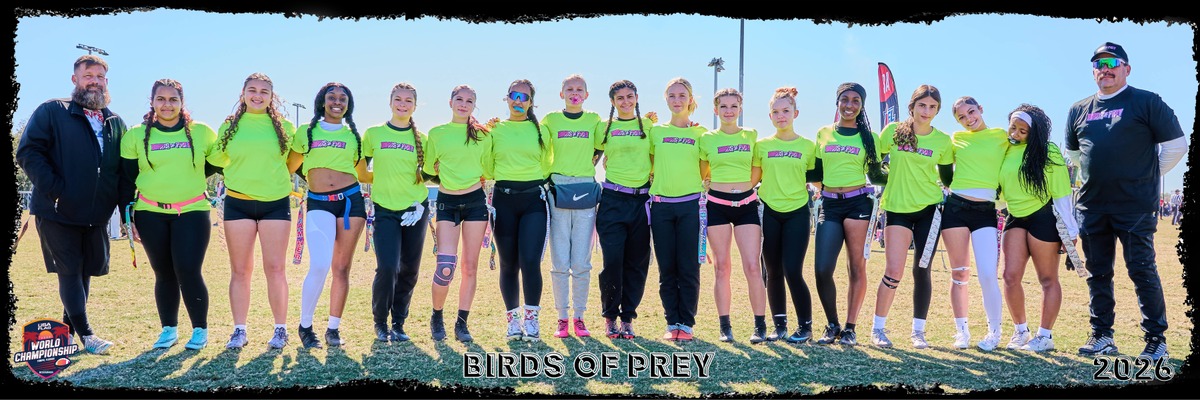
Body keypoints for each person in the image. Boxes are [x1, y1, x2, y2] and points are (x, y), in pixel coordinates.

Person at [1068, 42, 1186, 361]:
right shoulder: (1079, 109)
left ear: (1127, 69)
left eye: (1112, 63)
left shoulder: (1146, 101)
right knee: (1097, 274)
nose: (1104, 69)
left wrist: (1146, 175)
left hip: (1134, 207)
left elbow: (1176, 145)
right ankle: (1102, 335)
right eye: (1098, 64)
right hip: (1092, 206)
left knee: (1142, 271)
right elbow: (1075, 155)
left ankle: (1156, 339)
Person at [16, 55, 129, 354]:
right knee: (69, 271)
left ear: (107, 82)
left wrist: (124, 211)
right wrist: (56, 190)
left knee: (84, 272)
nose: (94, 81)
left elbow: (122, 172)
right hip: (57, 211)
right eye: (88, 75)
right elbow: (28, 152)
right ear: (75, 79)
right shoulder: (54, 110)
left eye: (100, 77)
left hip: (96, 214)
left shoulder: (115, 122)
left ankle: (65, 333)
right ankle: (88, 335)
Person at [121, 79, 221, 350]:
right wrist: (127, 217)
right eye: (161, 99)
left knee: (188, 270)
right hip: (150, 213)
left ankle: (199, 330)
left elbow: (215, 165)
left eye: (173, 99)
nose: (167, 104)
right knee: (163, 272)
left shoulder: (202, 132)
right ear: (152, 102)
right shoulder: (135, 135)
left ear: (182, 102)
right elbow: (127, 179)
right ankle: (169, 330)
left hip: (192, 212)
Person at [211, 73, 296, 349]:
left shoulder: (286, 127)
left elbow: (294, 160)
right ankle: (239, 330)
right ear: (243, 93)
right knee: (240, 270)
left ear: (272, 97)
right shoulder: (230, 126)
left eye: (263, 92)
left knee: (276, 268)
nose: (257, 96)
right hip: (239, 203)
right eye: (252, 90)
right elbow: (217, 158)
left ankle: (280, 330)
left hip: (275, 204)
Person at [870, 84, 954, 349]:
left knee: (922, 269)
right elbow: (873, 166)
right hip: (897, 208)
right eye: (922, 105)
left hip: (929, 210)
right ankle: (878, 329)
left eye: (932, 107)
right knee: (894, 271)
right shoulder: (893, 132)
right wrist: (889, 179)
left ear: (938, 110)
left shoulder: (943, 141)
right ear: (912, 106)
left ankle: (918, 332)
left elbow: (948, 179)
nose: (926, 111)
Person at [811, 82, 886, 346]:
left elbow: (876, 175)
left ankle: (850, 328)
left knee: (856, 266)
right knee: (822, 269)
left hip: (858, 205)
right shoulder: (823, 133)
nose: (849, 105)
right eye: (845, 99)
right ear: (837, 102)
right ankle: (832, 325)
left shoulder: (870, 137)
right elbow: (815, 173)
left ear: (862, 106)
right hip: (830, 205)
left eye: (856, 100)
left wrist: (902, 172)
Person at [998, 104, 1074, 352]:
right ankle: (1021, 331)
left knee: (1047, 279)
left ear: (1035, 133)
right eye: (1013, 128)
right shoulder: (1004, 149)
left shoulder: (1048, 151)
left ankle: (1044, 336)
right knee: (1010, 277)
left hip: (1043, 217)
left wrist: (1070, 232)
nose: (1016, 134)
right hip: (1015, 216)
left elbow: (1062, 193)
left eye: (1023, 131)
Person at [423, 85, 493, 342]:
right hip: (447, 202)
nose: (464, 104)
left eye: (469, 101)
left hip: (475, 201)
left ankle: (462, 323)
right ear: (450, 102)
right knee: (445, 267)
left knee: (470, 266)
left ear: (474, 106)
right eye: (459, 99)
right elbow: (429, 168)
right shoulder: (437, 133)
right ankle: (437, 316)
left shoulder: (484, 136)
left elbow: (489, 169)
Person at [362, 83, 431, 342]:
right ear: (390, 102)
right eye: (398, 99)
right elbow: (362, 171)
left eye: (408, 100)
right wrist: (381, 180)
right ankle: (380, 322)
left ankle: (399, 323)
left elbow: (430, 174)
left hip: (415, 209)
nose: (403, 104)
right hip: (385, 210)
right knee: (388, 267)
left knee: (409, 269)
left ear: (415, 105)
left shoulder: (423, 139)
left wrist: (418, 202)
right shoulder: (373, 134)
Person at [700, 88, 767, 343]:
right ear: (715, 109)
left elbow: (757, 169)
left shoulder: (751, 135)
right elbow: (703, 172)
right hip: (717, 205)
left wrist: (745, 189)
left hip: (746, 205)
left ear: (740, 108)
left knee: (752, 266)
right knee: (722, 267)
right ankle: (725, 326)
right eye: (723, 106)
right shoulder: (707, 139)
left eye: (733, 106)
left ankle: (759, 325)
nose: (728, 111)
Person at [942, 96, 1008, 350]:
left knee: (988, 274)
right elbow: (942, 168)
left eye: (971, 112)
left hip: (985, 211)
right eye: (962, 117)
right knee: (959, 273)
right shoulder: (956, 138)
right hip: (955, 208)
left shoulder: (1001, 136)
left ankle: (994, 332)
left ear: (981, 109)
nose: (968, 119)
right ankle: (961, 332)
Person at [753, 87, 819, 343]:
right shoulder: (761, 146)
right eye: (776, 112)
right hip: (769, 212)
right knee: (772, 271)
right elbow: (751, 179)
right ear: (770, 116)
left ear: (795, 113)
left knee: (792, 270)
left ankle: (805, 327)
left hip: (797, 213)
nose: (781, 116)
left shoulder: (808, 146)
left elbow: (819, 181)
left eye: (786, 111)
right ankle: (779, 325)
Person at [489, 79, 552, 342]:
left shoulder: (541, 130)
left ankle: (531, 319)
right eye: (514, 95)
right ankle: (513, 321)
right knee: (508, 263)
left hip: (533, 200)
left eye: (524, 97)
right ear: (506, 98)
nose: (518, 100)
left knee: (530, 262)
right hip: (503, 200)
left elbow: (548, 164)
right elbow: (487, 164)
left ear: (531, 102)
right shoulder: (494, 129)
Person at [541, 75, 603, 338]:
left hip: (585, 191)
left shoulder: (594, 120)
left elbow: (604, 144)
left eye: (579, 89)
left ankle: (579, 317)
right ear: (561, 93)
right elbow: (537, 144)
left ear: (586, 95)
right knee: (559, 261)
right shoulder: (551, 120)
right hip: (558, 191)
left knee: (581, 262)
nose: (574, 93)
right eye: (569, 89)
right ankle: (562, 318)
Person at [650, 78, 708, 342]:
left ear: (690, 100)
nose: (677, 100)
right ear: (666, 99)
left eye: (682, 95)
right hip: (661, 207)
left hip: (690, 207)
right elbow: (650, 163)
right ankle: (671, 321)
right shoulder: (655, 132)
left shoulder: (701, 133)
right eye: (672, 95)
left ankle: (686, 323)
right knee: (667, 269)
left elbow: (704, 170)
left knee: (688, 268)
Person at [595, 80, 654, 339]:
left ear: (637, 98)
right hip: (612, 200)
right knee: (612, 263)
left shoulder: (649, 126)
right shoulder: (603, 127)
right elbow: (590, 157)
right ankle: (610, 317)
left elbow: (658, 154)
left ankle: (628, 317)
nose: (626, 101)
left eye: (630, 96)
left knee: (637, 264)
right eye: (620, 98)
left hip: (641, 201)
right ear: (612, 102)